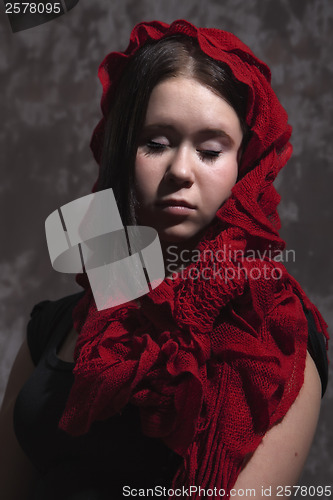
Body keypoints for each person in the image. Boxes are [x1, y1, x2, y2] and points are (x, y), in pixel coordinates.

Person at [0, 19, 329, 500]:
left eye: (211, 150)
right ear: (122, 151)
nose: (180, 170)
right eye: (155, 143)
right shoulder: (51, 328)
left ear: (248, 166)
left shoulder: (273, 336)